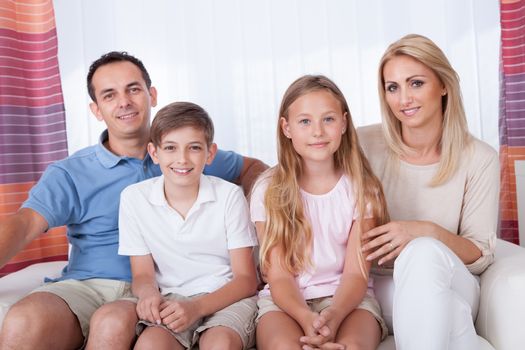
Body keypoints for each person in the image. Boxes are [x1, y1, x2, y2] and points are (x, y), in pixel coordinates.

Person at [0, 51, 267, 350]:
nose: (124, 101)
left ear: (152, 95)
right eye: (110, 95)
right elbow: (24, 225)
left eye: (133, 89)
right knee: (23, 320)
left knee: (112, 321)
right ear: (96, 109)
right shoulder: (71, 172)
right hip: (91, 284)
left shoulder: (184, 156)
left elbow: (254, 169)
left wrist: (256, 221)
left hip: (162, 289)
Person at [359, 34, 499, 350]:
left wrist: (426, 233)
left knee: (422, 251)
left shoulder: (479, 158)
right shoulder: (361, 145)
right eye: (392, 87)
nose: (403, 98)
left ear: (444, 85)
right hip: (383, 286)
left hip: (454, 279)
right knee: (451, 315)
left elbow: (480, 254)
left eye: (416, 83)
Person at [251, 75, 389, 350]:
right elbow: (278, 275)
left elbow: (356, 274)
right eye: (305, 121)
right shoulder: (269, 189)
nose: (318, 131)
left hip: (348, 300)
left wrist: (333, 316)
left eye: (328, 119)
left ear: (344, 124)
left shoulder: (363, 188)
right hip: (286, 301)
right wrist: (306, 318)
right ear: (286, 128)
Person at [118, 101, 258, 350]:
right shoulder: (134, 198)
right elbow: (142, 275)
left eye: (194, 148)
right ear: (154, 152)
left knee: (219, 344)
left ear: (210, 153)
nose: (182, 159)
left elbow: (246, 280)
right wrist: (149, 294)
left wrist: (197, 308)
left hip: (227, 296)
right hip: (172, 298)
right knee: (150, 345)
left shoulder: (229, 196)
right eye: (170, 148)